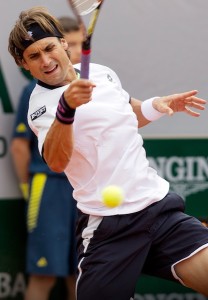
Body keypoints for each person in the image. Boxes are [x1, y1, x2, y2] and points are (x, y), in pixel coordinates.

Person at [8, 6, 208, 300]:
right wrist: (67, 109)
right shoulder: (42, 107)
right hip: (109, 227)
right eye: (34, 56)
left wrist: (156, 105)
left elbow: (126, 111)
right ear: (24, 65)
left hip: (158, 209)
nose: (46, 60)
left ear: (63, 42)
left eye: (49, 48)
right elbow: (56, 160)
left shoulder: (101, 73)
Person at [10, 15, 84, 300]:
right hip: (48, 187)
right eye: (35, 54)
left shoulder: (94, 82)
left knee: (79, 275)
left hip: (84, 190)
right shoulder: (34, 91)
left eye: (79, 44)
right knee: (43, 275)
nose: (76, 51)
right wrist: (30, 189)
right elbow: (19, 146)